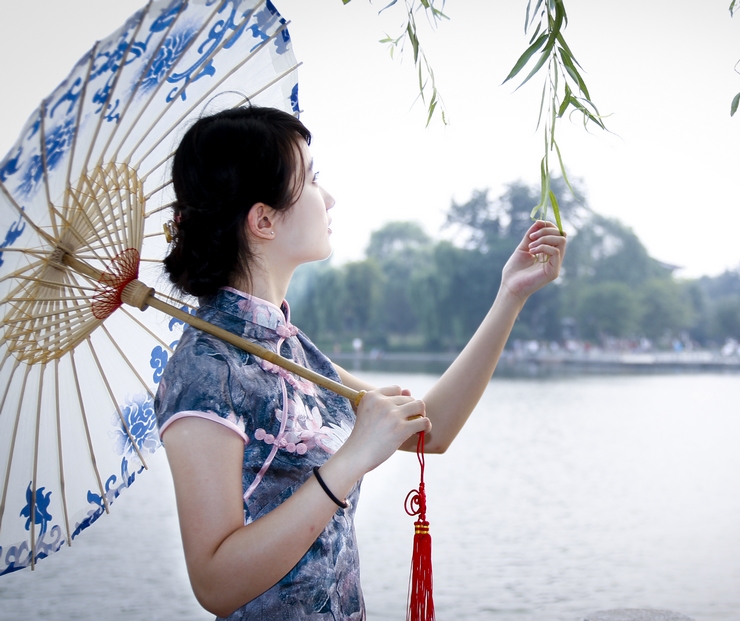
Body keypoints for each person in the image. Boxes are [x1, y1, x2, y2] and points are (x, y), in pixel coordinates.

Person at [153, 105, 566, 620]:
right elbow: (214, 584)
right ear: (262, 220)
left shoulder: (290, 349)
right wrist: (349, 459)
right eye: (311, 179)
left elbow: (426, 432)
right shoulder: (207, 370)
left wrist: (510, 295)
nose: (329, 198)